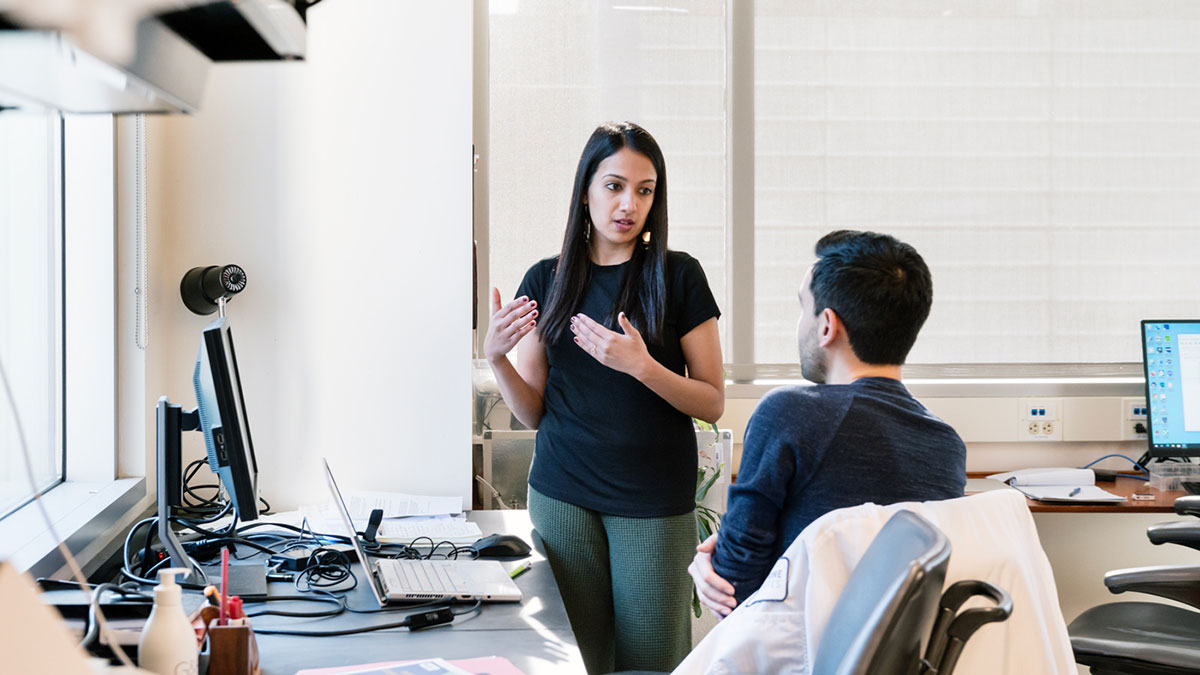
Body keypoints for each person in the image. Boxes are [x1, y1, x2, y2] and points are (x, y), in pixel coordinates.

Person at [483, 122, 725, 674]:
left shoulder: (679, 276)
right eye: (614, 186)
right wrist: (497, 357)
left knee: (649, 662)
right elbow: (534, 412)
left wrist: (642, 367)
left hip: (652, 504)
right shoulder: (547, 280)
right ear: (585, 189)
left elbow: (711, 401)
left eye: (644, 190)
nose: (629, 204)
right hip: (564, 494)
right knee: (575, 661)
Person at [688, 230, 966, 617]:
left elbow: (733, 592)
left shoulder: (789, 412)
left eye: (804, 307)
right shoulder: (946, 445)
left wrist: (712, 565)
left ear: (826, 326)